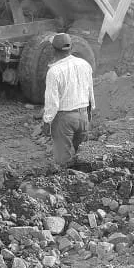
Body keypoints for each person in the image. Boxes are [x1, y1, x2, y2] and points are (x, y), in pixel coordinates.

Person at [41, 33, 95, 168]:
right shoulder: (84, 64)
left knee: (62, 160)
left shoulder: (54, 71)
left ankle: (67, 182)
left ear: (53, 49)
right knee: (83, 156)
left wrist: (47, 122)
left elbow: (52, 102)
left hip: (64, 119)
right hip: (83, 115)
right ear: (71, 47)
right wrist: (89, 112)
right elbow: (90, 90)